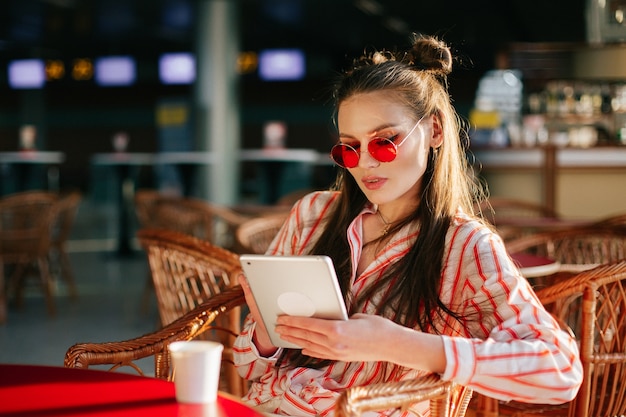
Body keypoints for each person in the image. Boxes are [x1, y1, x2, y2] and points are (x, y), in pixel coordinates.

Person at [233, 34, 582, 416]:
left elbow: (559, 371)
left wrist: (394, 343)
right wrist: (267, 333)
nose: (365, 163)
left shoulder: (463, 245)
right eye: (348, 148)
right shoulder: (313, 215)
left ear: (434, 130)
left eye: (385, 142)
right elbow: (249, 367)